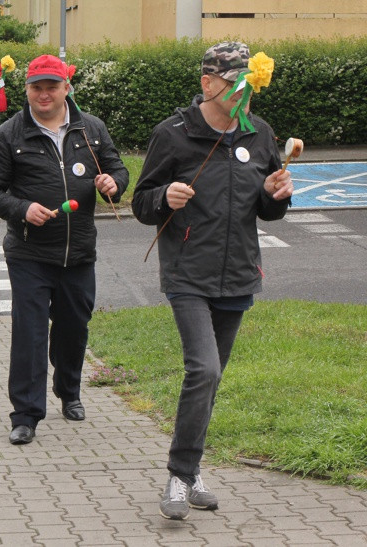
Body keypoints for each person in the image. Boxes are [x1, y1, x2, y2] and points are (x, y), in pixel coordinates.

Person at [131, 42, 293, 520]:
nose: (245, 95)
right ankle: (181, 477)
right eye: (235, 84)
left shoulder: (260, 133)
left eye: (251, 86)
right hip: (188, 273)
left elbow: (268, 210)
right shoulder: (174, 134)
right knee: (204, 369)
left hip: (239, 274)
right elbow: (142, 203)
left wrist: (276, 194)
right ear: (209, 83)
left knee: (210, 379)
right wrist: (166, 196)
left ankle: (190, 469)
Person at [0, 54, 129, 445]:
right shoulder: (8, 134)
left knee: (73, 329)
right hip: (29, 253)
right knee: (29, 334)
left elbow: (118, 168)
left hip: (78, 251)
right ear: (26, 89)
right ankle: (26, 413)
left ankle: (69, 389)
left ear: (66, 89)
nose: (44, 94)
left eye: (52, 87)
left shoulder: (90, 128)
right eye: (36, 87)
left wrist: (114, 183)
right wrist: (22, 209)